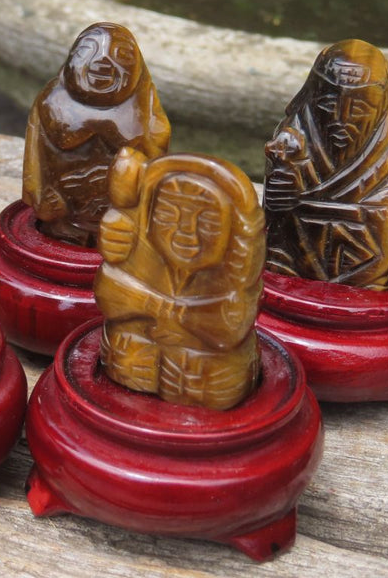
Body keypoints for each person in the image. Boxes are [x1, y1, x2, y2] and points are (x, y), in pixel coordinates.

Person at [95, 152, 264, 410]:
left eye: (207, 221)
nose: (185, 231)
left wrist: (164, 311)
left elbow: (231, 326)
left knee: (215, 370)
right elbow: (110, 293)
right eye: (169, 215)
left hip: (206, 368)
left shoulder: (231, 278)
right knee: (126, 349)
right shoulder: (143, 255)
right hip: (139, 353)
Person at [263, 39, 388, 290]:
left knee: (368, 285)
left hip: (361, 264)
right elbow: (274, 216)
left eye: (358, 109)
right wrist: (279, 197)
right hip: (291, 260)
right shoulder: (296, 132)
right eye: (329, 105)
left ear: (379, 104)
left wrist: (305, 203)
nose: (341, 119)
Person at [23, 22, 170, 246]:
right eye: (86, 51)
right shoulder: (53, 99)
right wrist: (38, 196)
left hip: (122, 220)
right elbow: (34, 155)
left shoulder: (142, 104)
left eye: (121, 56)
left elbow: (156, 153)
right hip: (62, 214)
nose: (102, 62)